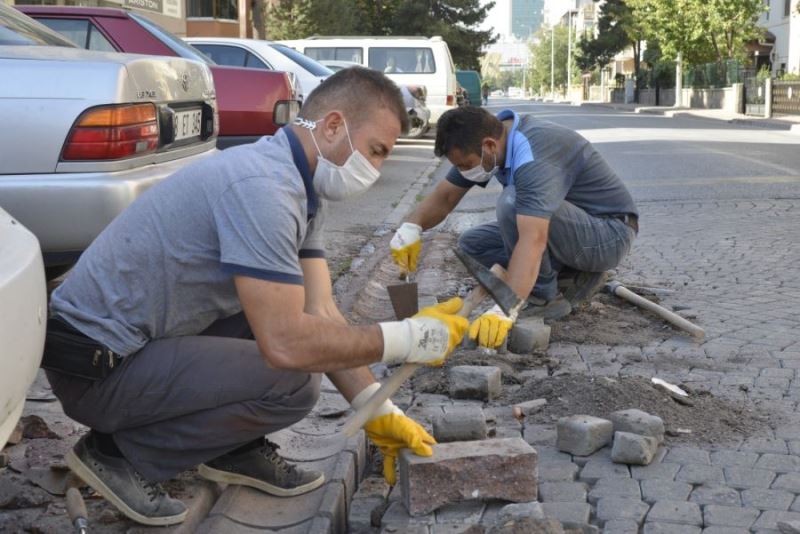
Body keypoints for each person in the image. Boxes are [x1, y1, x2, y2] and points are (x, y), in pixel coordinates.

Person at [43, 67, 469, 526]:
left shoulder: (301, 187)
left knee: (285, 321)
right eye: (377, 151)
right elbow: (288, 343)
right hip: (97, 370)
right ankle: (117, 452)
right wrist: (408, 338)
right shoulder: (263, 189)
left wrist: (377, 409)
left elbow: (320, 309)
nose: (377, 168)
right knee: (293, 379)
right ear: (332, 125)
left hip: (128, 348)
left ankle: (231, 448)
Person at [390, 107, 637, 350]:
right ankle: (572, 277)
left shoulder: (531, 151)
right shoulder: (490, 142)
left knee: (513, 202)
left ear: (489, 146)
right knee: (472, 245)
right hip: (574, 231)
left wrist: (504, 309)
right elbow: (444, 199)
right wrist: (411, 228)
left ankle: (543, 297)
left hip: (608, 235)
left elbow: (534, 238)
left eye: (466, 165)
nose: (465, 172)